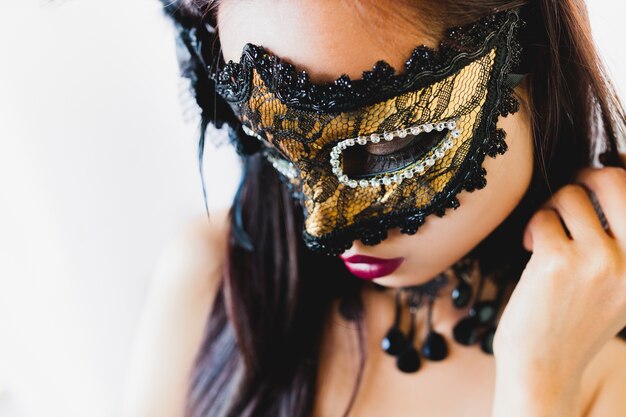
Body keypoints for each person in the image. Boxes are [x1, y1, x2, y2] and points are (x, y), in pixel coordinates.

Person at [122, 1, 626, 416]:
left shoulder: (607, 367)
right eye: (274, 143)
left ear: (534, 58)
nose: (325, 230)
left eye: (390, 149)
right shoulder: (210, 277)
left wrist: (538, 383)